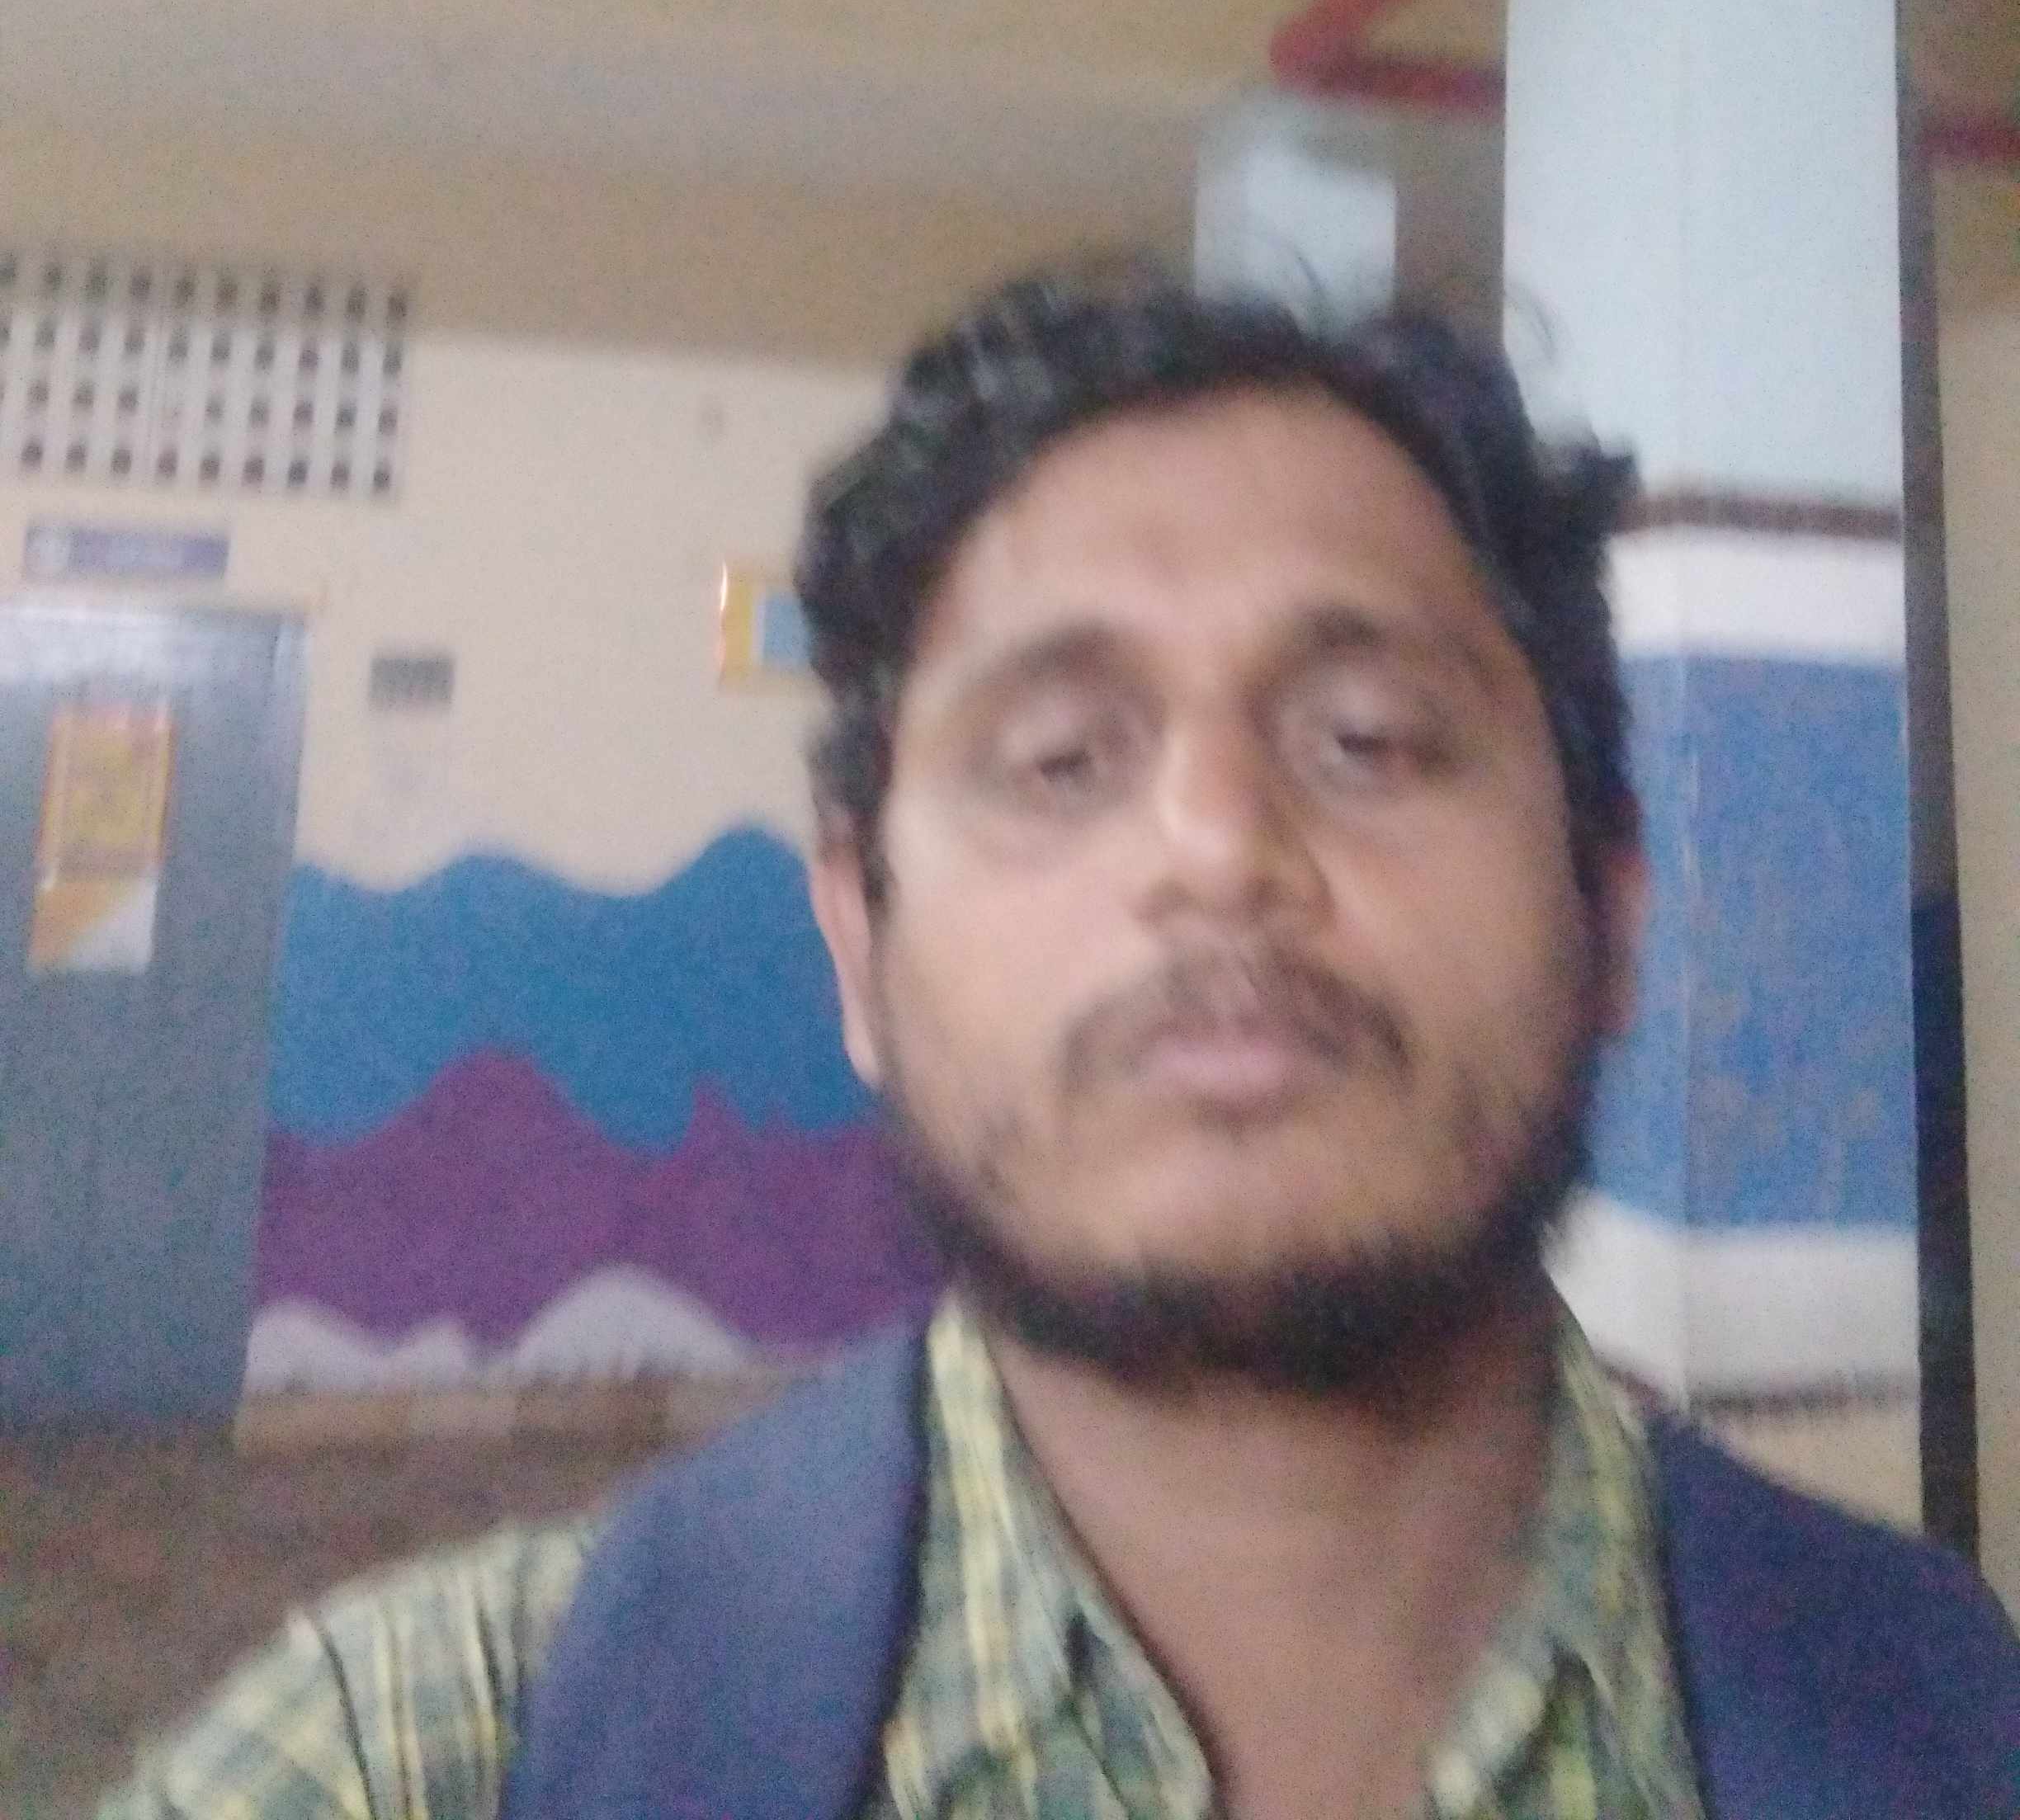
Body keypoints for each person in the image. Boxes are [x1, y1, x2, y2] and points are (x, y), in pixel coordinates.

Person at [104, 269, 2019, 1819]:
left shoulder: (1954, 1731)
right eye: (1057, 759)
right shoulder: (425, 1754)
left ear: (1608, 917)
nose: (1217, 847)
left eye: (1367, 739)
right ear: (860, 949)